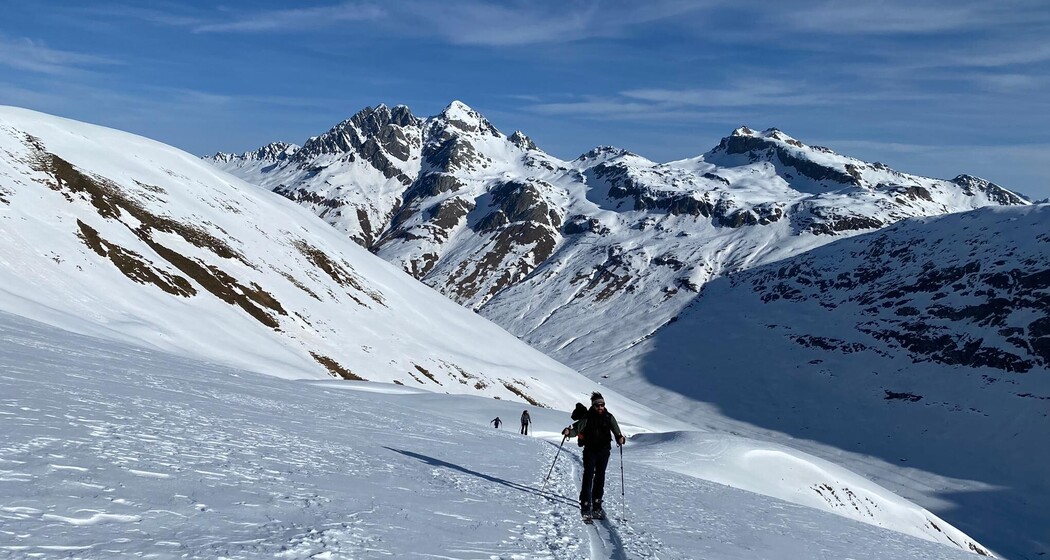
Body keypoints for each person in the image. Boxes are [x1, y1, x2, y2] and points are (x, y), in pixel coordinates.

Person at [562, 392, 626, 520]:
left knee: (600, 476)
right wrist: (569, 432)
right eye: (598, 405)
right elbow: (576, 429)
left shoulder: (609, 417)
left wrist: (620, 438)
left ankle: (597, 503)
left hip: (604, 451)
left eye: (602, 405)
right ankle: (585, 503)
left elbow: (617, 432)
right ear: (593, 405)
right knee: (589, 474)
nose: (600, 407)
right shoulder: (587, 417)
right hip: (590, 450)